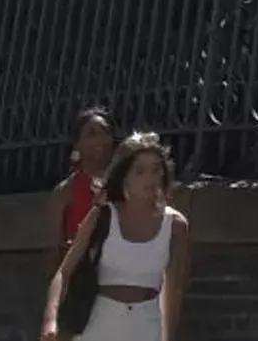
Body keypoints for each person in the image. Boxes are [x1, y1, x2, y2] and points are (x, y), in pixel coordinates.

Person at [44, 133, 189, 341]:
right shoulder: (102, 216)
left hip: (147, 324)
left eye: (156, 170)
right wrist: (50, 321)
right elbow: (63, 273)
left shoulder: (175, 225)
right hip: (99, 322)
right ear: (125, 178)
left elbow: (174, 292)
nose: (150, 178)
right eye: (140, 172)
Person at [45, 109, 113, 269]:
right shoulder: (65, 191)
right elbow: (54, 249)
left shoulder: (125, 183)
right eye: (91, 134)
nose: (101, 140)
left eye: (106, 133)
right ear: (78, 144)